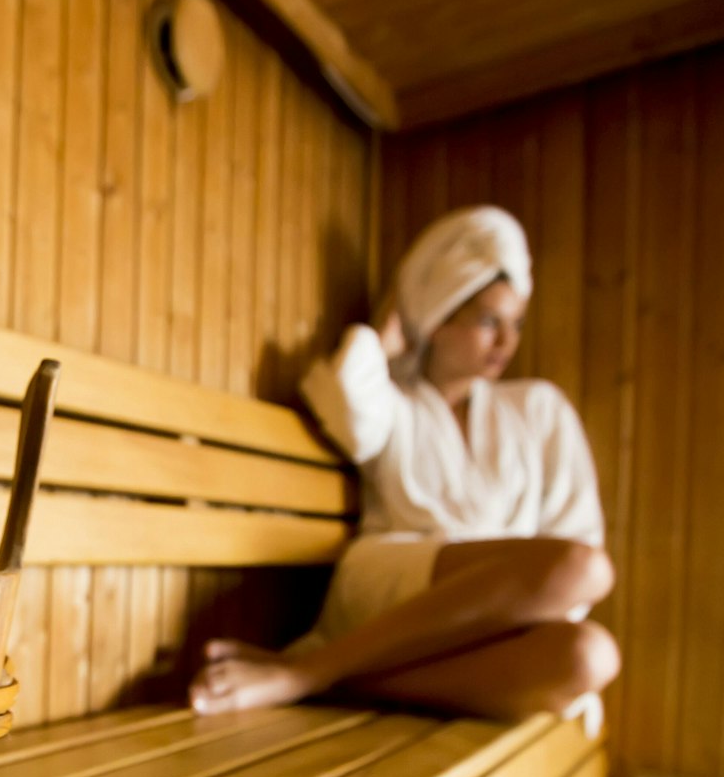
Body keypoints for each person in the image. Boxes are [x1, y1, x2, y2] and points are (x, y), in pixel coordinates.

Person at [188, 206, 619, 725]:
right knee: (584, 567)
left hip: (495, 619)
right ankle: (308, 673)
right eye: (488, 321)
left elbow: (575, 531)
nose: (507, 341)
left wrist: (520, 609)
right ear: (438, 320)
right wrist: (383, 336)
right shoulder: (396, 406)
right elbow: (347, 406)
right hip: (391, 586)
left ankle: (323, 677)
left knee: (590, 656)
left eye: (516, 323)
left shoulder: (539, 409)